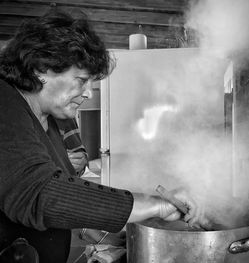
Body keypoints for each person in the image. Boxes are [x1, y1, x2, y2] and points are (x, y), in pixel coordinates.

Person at [0, 10, 204, 263]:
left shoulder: (50, 120)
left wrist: (91, 224)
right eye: (81, 80)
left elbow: (57, 194)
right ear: (41, 68)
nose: (88, 93)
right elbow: (40, 194)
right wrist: (154, 205)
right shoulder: (4, 102)